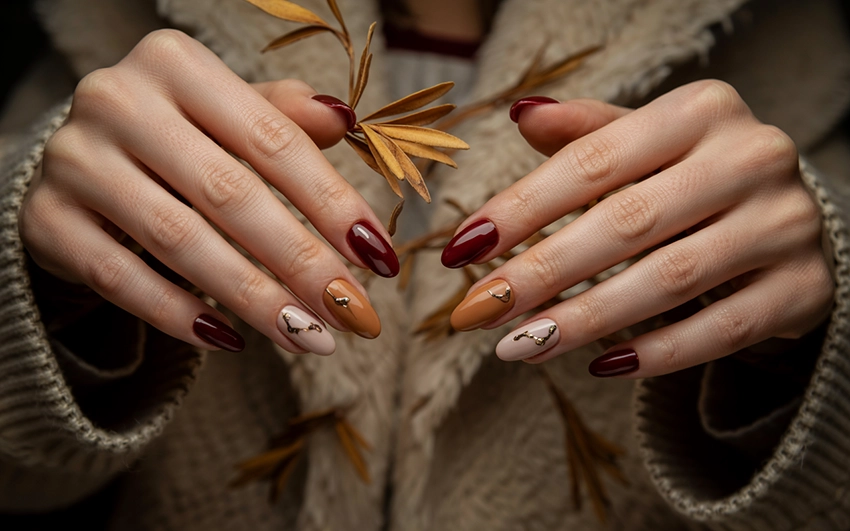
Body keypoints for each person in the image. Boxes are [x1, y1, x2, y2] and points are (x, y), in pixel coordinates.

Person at [0, 0, 848, 529]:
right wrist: (41, 273)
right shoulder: (111, 30)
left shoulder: (786, 45)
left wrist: (802, 340)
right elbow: (25, 480)